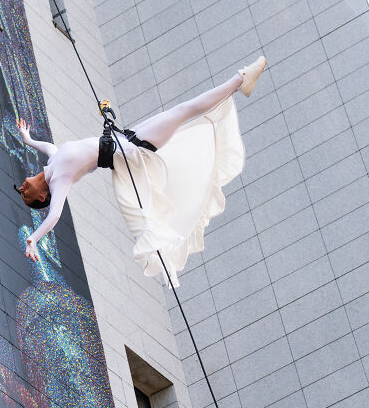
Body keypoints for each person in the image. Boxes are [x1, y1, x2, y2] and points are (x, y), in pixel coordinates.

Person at [16, 56, 267, 285]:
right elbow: (55, 216)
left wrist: (28, 139)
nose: (23, 187)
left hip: (127, 138)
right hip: (133, 151)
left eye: (22, 189)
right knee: (183, 111)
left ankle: (238, 82)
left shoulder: (53, 163)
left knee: (181, 111)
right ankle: (239, 80)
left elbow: (49, 146)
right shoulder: (61, 181)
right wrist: (34, 239)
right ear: (41, 197)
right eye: (26, 194)